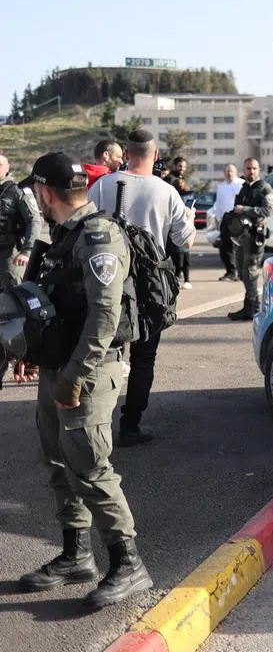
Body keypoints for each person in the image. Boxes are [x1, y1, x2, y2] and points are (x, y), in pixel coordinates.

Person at [14, 152, 153, 608]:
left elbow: (105, 315)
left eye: (36, 190)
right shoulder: (60, 236)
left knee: (91, 468)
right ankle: (76, 556)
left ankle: (128, 565)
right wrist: (35, 354)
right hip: (59, 366)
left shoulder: (97, 236)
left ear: (45, 192)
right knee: (57, 462)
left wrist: (74, 375)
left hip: (88, 371)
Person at [89, 130, 196, 446]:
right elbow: (184, 241)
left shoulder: (105, 185)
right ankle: (131, 425)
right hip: (150, 286)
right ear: (155, 154)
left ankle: (96, 425)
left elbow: (83, 225)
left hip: (106, 279)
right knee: (143, 358)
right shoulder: (166, 191)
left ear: (126, 152)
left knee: (101, 352)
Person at [227, 158, 273, 321]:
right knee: (241, 271)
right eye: (248, 168)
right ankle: (252, 305)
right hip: (242, 236)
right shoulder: (244, 188)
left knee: (250, 272)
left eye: (254, 168)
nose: (251, 171)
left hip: (255, 236)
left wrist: (245, 209)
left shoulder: (264, 188)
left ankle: (252, 307)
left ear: (259, 170)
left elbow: (268, 209)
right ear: (244, 169)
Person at [0, 152, 43, 289]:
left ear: (8, 167)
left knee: (13, 295)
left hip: (10, 255)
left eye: (0, 165)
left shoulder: (18, 191)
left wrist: (27, 251)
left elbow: (34, 221)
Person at [164, 157, 193, 289]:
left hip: (185, 217)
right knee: (174, 252)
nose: (182, 168)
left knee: (184, 252)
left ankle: (185, 279)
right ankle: (172, 279)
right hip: (173, 220)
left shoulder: (183, 180)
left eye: (184, 166)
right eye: (180, 165)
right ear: (175, 165)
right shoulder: (170, 179)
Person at [213, 163, 244, 281]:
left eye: (231, 171)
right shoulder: (221, 186)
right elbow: (219, 204)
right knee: (225, 247)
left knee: (237, 247)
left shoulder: (241, 184)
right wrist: (218, 219)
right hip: (224, 220)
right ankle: (230, 272)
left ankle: (239, 272)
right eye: (227, 171)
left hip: (237, 220)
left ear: (235, 172)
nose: (229, 173)